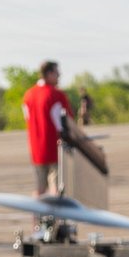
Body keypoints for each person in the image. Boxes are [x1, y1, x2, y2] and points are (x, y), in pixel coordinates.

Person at [19, 61, 106, 196]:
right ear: (49, 74)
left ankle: (37, 216)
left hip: (36, 148)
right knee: (56, 186)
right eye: (57, 73)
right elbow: (67, 123)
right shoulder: (56, 95)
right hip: (55, 148)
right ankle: (56, 214)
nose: (59, 76)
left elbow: (27, 120)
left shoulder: (28, 95)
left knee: (40, 188)